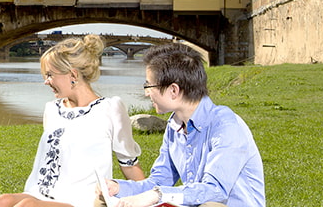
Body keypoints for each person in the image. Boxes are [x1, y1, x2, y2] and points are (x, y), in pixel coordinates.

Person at [0, 35, 144, 207]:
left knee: (27, 206)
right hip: (38, 195)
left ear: (72, 74)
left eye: (50, 75)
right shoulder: (52, 109)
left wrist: (148, 199)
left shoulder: (110, 109)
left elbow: (130, 165)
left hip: (82, 201)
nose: (45, 81)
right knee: (3, 200)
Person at [106, 43, 265, 207]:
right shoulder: (174, 126)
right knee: (104, 200)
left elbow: (215, 190)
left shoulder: (226, 126)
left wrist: (157, 195)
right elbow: (159, 180)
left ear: (173, 90)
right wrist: (118, 188)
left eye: (148, 85)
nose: (146, 92)